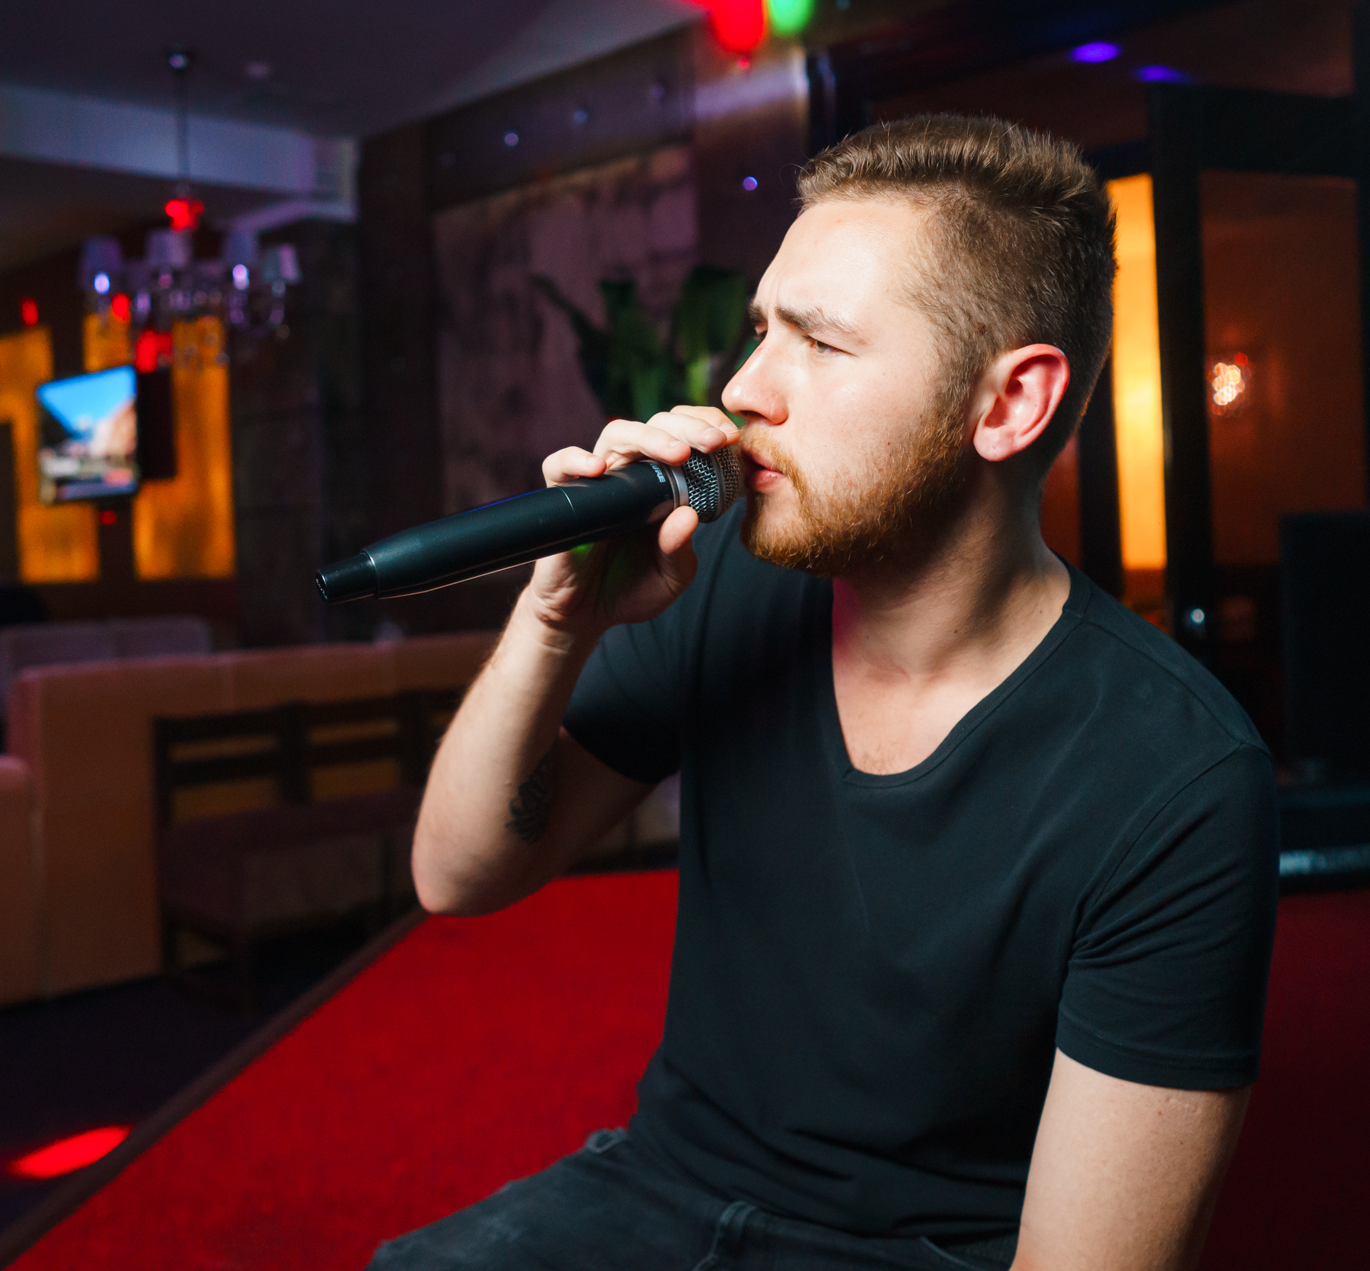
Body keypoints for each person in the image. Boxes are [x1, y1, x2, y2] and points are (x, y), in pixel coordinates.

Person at [380, 115, 1278, 1271]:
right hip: (664, 1182)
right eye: (763, 329)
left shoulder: (1178, 776)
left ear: (1009, 403)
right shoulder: (723, 585)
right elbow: (458, 873)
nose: (745, 387)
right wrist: (559, 620)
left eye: (821, 342)